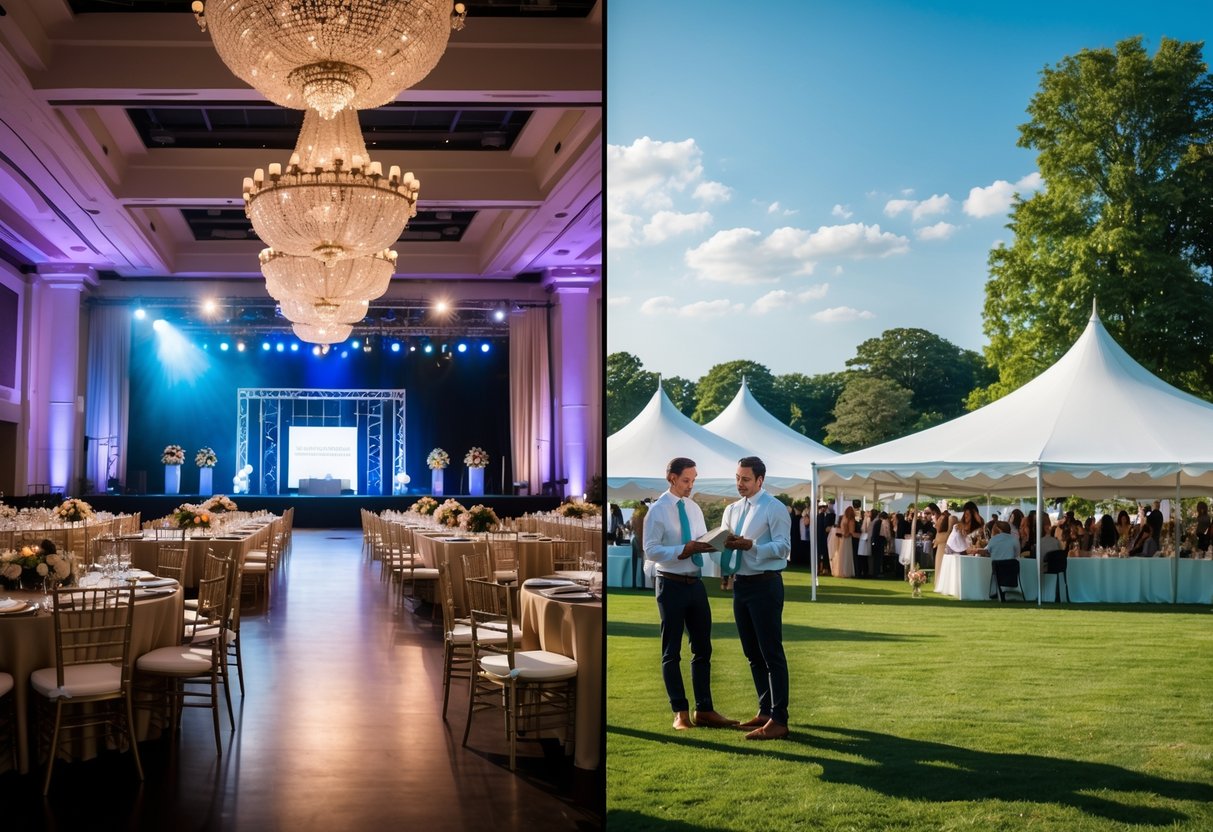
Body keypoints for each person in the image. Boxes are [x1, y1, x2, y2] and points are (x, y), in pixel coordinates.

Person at [643, 457, 739, 731]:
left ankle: (705, 710)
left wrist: (718, 542)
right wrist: (681, 550)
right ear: (672, 478)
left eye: (694, 480)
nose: (691, 485)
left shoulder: (694, 508)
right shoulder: (657, 511)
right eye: (687, 480)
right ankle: (680, 713)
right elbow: (651, 550)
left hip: (694, 584)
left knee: (703, 648)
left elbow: (700, 540)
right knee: (671, 651)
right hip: (669, 584)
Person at [721, 456, 791, 740]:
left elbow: (783, 547)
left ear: (760, 480)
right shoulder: (732, 509)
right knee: (752, 653)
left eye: (746, 479)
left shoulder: (774, 508)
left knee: (771, 653)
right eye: (738, 478)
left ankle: (779, 719)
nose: (740, 484)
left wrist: (752, 546)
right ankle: (764, 711)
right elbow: (725, 544)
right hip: (742, 585)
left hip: (766, 584)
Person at [831, 505, 858, 578]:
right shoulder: (851, 520)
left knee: (841, 555)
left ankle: (840, 571)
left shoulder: (843, 518)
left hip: (842, 538)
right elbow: (851, 531)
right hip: (847, 538)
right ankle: (846, 571)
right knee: (847, 556)